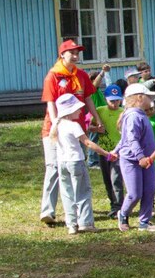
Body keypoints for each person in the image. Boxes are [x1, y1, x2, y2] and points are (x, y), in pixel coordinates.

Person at [39, 39, 103, 226]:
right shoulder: (53, 76)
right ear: (62, 55)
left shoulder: (81, 75)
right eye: (72, 53)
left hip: (77, 129)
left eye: (77, 53)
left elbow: (88, 98)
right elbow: (51, 102)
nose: (75, 56)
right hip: (55, 129)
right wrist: (55, 124)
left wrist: (96, 118)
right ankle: (47, 211)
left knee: (75, 168)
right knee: (53, 167)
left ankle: (75, 212)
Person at [51, 94, 117, 234]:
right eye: (77, 109)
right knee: (83, 192)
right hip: (76, 162)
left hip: (62, 163)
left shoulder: (57, 125)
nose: (81, 111)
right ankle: (86, 223)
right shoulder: (74, 125)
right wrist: (106, 154)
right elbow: (88, 143)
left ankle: (71, 225)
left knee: (67, 193)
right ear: (70, 111)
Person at [114, 84, 155, 232]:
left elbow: (124, 138)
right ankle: (123, 214)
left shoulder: (141, 114)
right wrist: (140, 156)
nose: (151, 100)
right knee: (135, 194)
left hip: (147, 160)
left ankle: (144, 222)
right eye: (149, 97)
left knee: (149, 191)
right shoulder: (133, 116)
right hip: (132, 160)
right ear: (139, 98)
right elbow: (131, 139)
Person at [96, 85, 125, 219]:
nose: (114, 103)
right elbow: (88, 126)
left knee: (116, 179)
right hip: (104, 151)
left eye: (117, 100)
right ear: (106, 99)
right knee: (107, 179)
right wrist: (96, 129)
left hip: (118, 152)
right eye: (111, 100)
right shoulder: (99, 111)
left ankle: (118, 207)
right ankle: (113, 203)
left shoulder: (123, 112)